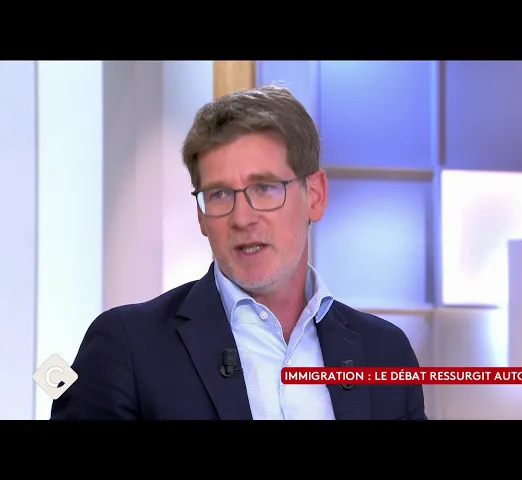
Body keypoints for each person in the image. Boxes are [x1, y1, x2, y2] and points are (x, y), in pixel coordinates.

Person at [51, 85, 427, 420]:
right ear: (201, 217)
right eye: (219, 194)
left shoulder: (386, 352)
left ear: (315, 196)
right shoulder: (127, 347)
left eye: (264, 188)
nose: (242, 218)